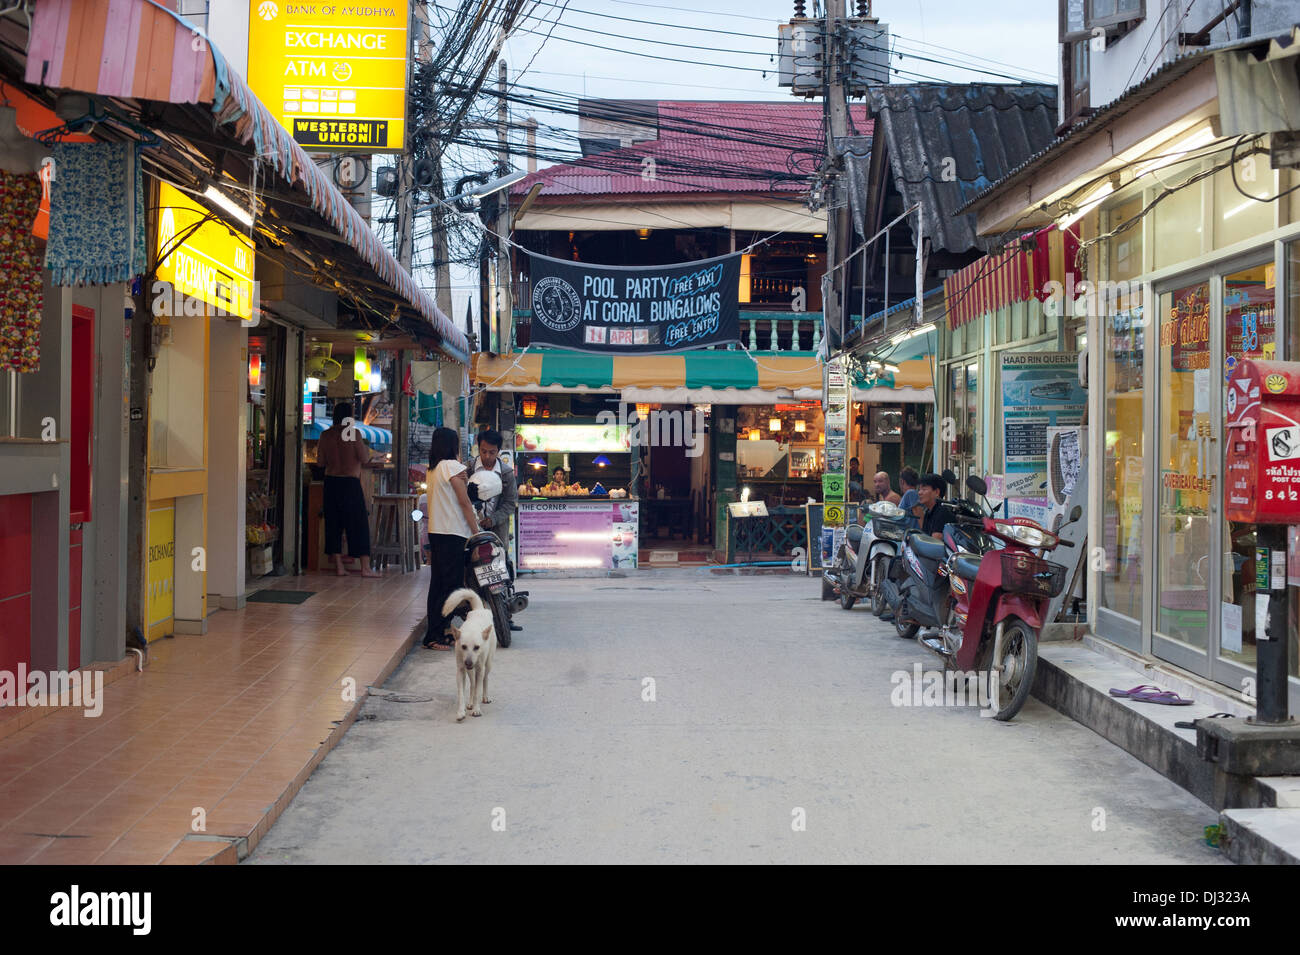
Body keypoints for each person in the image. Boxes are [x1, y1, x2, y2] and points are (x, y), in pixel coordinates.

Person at [424, 427, 482, 650]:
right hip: (452, 533)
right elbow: (465, 503)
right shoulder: (453, 467)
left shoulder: (434, 469)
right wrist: (476, 533)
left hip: (437, 531)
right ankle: (435, 634)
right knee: (451, 587)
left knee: (438, 585)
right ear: (453, 445)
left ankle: (437, 632)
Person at [317, 399, 380, 577]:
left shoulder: (325, 435)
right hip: (350, 483)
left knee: (333, 524)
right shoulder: (354, 434)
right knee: (358, 524)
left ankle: (338, 566)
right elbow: (364, 458)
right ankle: (365, 568)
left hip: (331, 482)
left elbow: (320, 462)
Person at [469, 431, 522, 633]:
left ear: (499, 451)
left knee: (501, 570)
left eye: (492, 452)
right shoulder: (468, 468)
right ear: (478, 448)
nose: (487, 456)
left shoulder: (507, 473)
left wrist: (493, 519)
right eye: (483, 451)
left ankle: (505, 614)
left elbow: (510, 503)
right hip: (471, 530)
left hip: (496, 531)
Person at [916, 473, 950, 538]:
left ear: (937, 492)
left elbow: (934, 542)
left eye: (924, 489)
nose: (919, 493)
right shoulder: (929, 512)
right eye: (919, 489)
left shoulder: (942, 512)